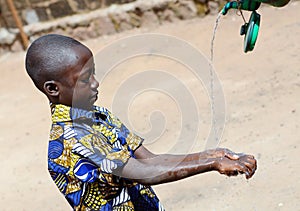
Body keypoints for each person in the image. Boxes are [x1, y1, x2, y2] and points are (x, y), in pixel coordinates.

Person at [25, 34, 257, 211]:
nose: (96, 83)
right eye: (85, 79)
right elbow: (143, 172)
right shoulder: (73, 139)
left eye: (93, 73)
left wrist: (213, 155)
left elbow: (151, 160)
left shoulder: (99, 116)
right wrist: (210, 165)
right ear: (53, 89)